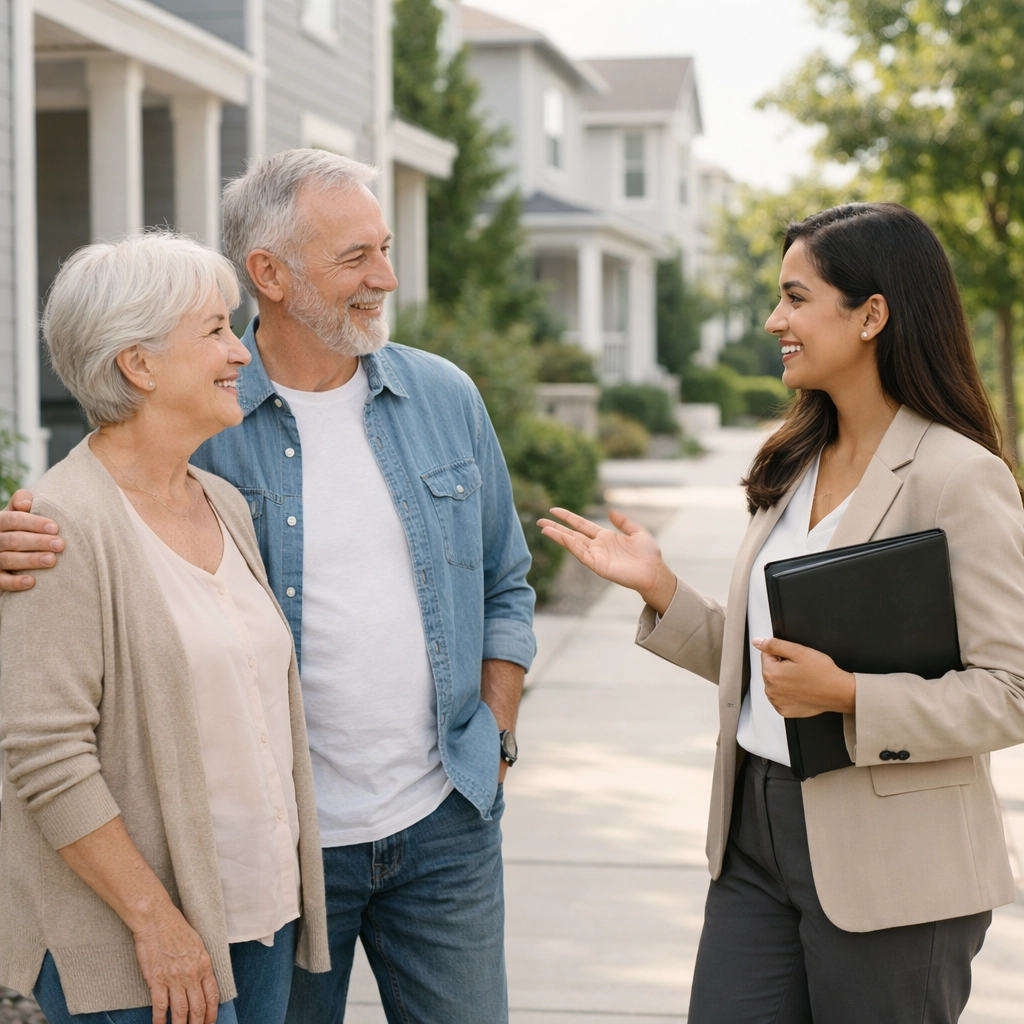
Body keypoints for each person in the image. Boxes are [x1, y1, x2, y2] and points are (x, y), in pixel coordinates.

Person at [0, 150, 536, 1024]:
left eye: (384, 248)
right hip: (282, 855)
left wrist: (496, 737)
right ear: (270, 274)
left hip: (442, 820)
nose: (387, 278)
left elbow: (506, 586)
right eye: (355, 257)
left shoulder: (441, 400)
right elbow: (54, 705)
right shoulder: (194, 433)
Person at [538, 203, 1024, 1024]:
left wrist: (853, 698)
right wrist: (662, 590)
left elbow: (1010, 688)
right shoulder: (795, 459)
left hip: (892, 860)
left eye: (796, 298)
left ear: (872, 314)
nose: (775, 321)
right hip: (755, 829)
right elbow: (775, 666)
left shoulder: (957, 476)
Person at [0, 233, 330, 1024]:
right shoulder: (59, 524)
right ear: (138, 365)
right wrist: (159, 924)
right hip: (139, 954)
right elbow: (45, 756)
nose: (240, 354)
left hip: (260, 920)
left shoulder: (223, 502)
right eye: (215, 330)